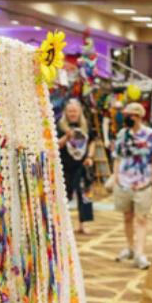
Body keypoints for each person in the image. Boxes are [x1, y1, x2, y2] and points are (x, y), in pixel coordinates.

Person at [111, 101, 152, 270]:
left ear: (140, 116)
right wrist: (116, 176)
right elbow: (117, 156)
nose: (128, 118)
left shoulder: (151, 135)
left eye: (131, 116)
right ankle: (130, 247)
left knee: (142, 218)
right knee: (127, 216)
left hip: (143, 182)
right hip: (124, 181)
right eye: (126, 116)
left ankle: (140, 253)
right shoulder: (122, 134)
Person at [58, 99, 95, 235]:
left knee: (84, 194)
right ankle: (64, 225)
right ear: (66, 113)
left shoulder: (86, 126)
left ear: (80, 112)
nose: (72, 114)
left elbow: (92, 141)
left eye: (75, 111)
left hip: (82, 165)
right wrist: (66, 137)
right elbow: (55, 145)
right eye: (70, 111)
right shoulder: (60, 126)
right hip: (65, 166)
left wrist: (90, 157)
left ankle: (82, 224)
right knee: (64, 196)